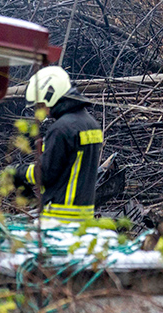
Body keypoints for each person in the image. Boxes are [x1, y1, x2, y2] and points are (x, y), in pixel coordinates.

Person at [11, 66, 104, 222]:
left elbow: (46, 173)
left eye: (41, 104)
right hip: (85, 215)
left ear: (52, 97)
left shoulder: (62, 128)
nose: (43, 110)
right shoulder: (91, 124)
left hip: (61, 217)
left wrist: (19, 172)